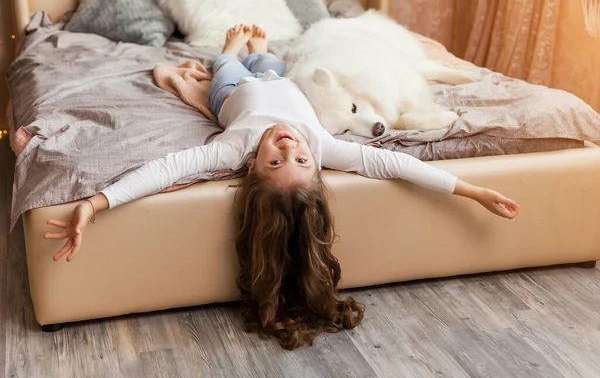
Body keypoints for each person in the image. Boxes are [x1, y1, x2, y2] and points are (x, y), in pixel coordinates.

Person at [45, 25, 520, 350]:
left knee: (231, 67)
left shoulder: (234, 146)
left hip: (232, 93)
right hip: (282, 82)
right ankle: (251, 49)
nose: (289, 144)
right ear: (316, 168)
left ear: (252, 168)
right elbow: (394, 164)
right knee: (273, 61)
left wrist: (95, 201)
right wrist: (471, 190)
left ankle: (230, 51)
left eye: (278, 159)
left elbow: (167, 168)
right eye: (298, 159)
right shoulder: (323, 145)